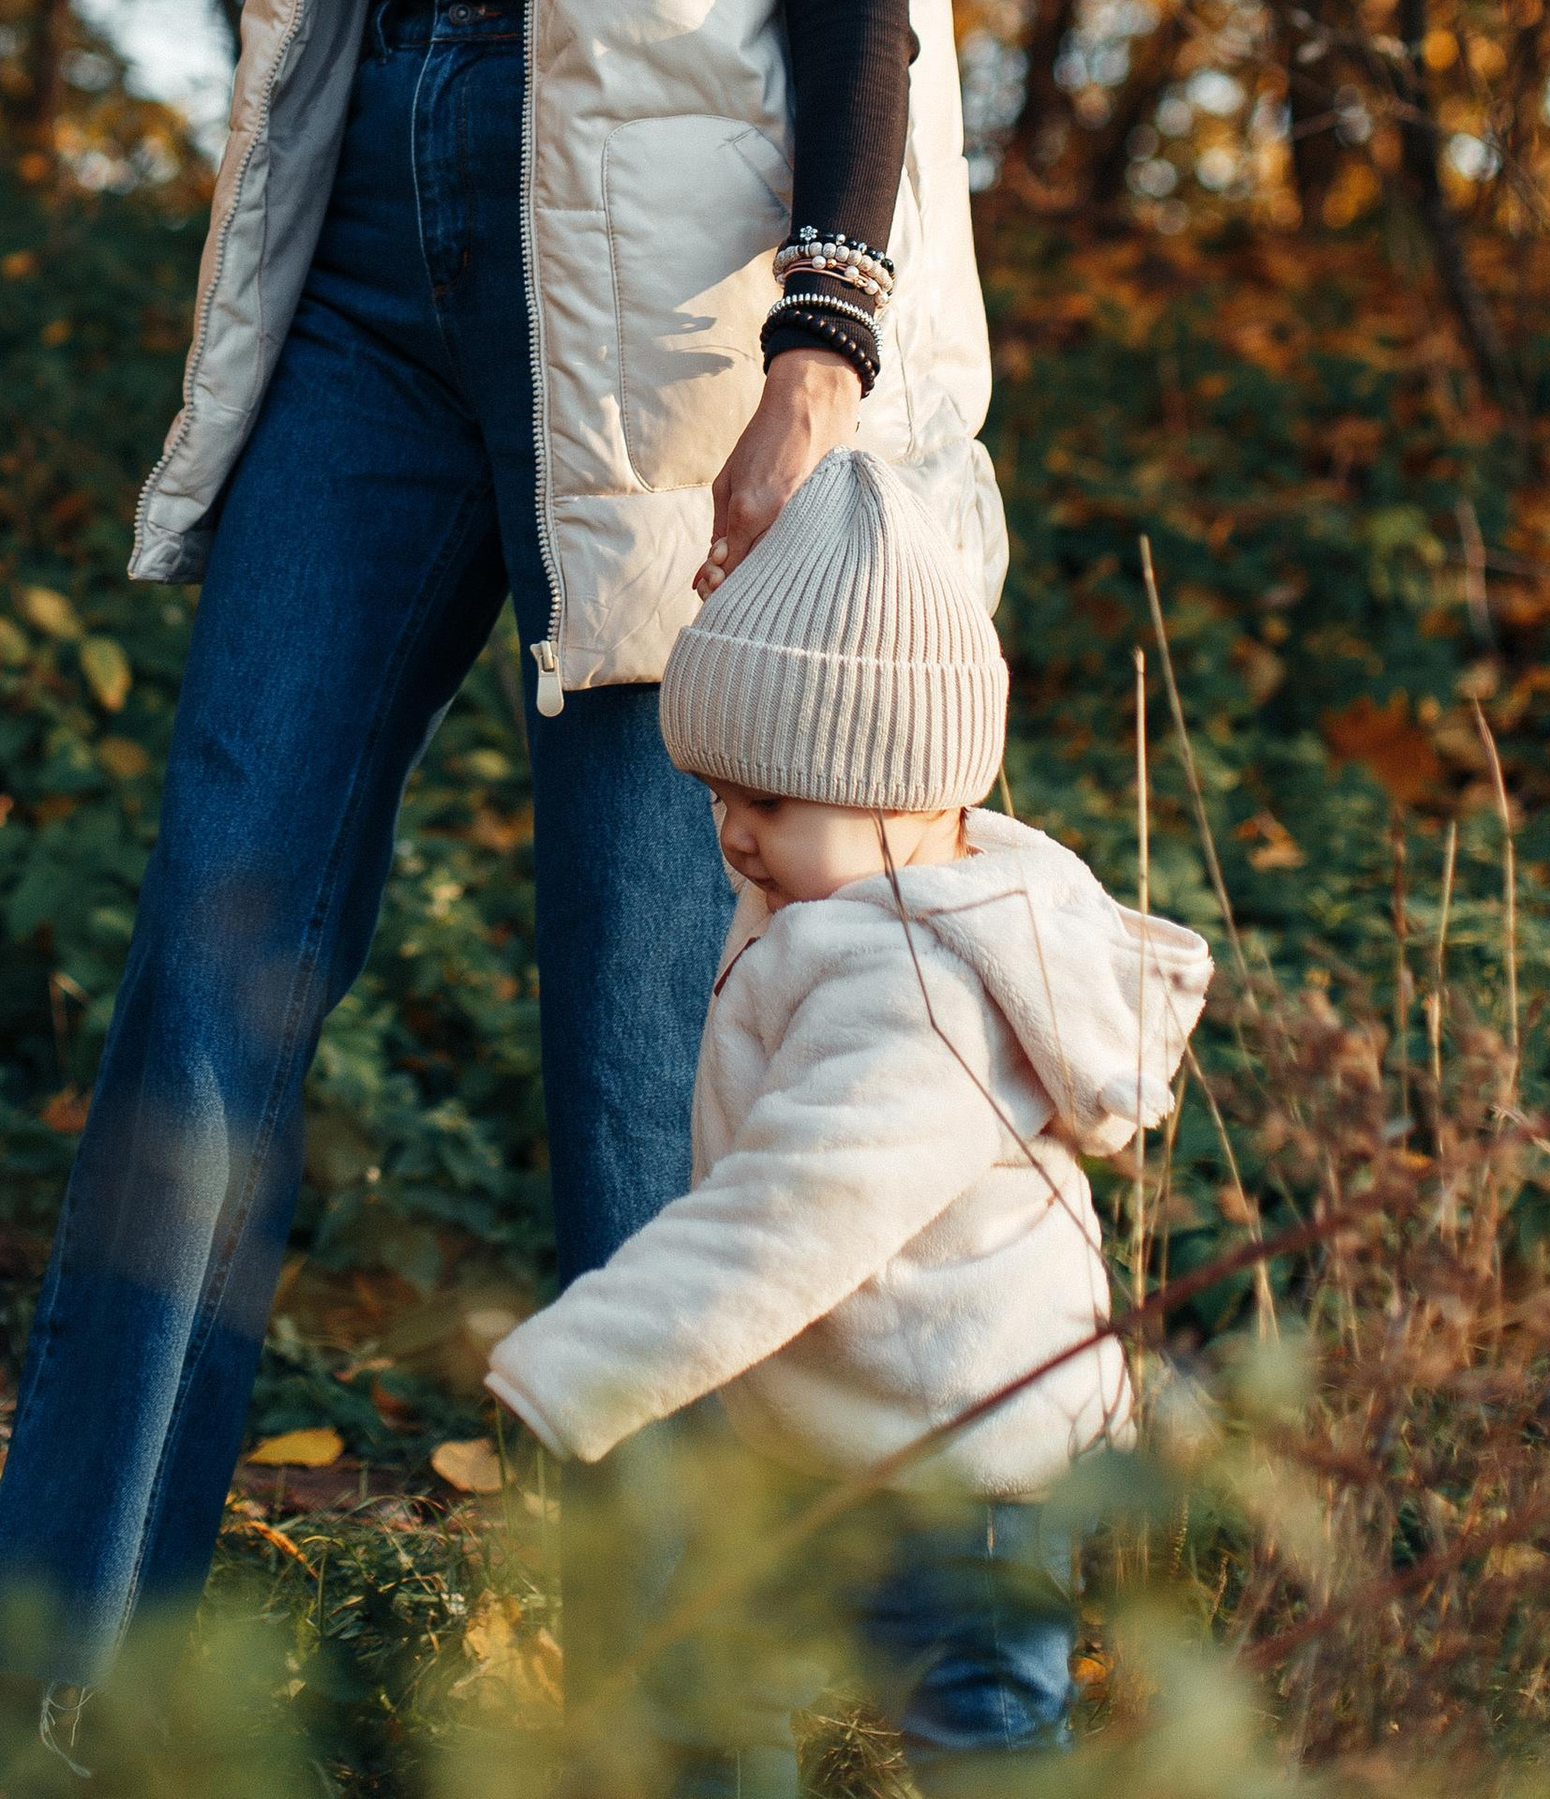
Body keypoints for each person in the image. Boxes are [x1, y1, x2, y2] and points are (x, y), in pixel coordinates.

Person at [0, 0, 1005, 1737]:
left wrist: (821, 339)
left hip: (672, 373)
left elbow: (861, 3)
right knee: (211, 980)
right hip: (383, 318)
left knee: (644, 1101)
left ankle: (679, 1747)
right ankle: (58, 1713)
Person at [485, 448, 1213, 1780]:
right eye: (717, 799)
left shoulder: (921, 990)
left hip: (959, 1478)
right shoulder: (845, 902)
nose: (735, 839)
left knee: (983, 1734)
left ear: (909, 790)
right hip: (846, 1438)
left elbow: (791, 1216)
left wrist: (573, 1367)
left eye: (767, 802)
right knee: (719, 1680)